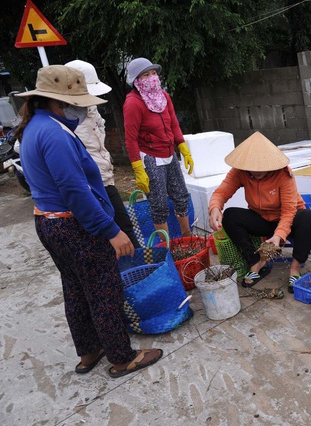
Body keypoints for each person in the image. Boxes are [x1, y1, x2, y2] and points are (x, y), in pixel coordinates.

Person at [15, 65, 162, 377]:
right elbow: (74, 190)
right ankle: (122, 357)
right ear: (61, 103)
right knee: (103, 289)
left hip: (49, 222)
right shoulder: (54, 134)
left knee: (76, 288)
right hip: (73, 225)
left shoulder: (35, 126)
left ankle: (89, 350)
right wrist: (111, 230)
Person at [208, 131, 311, 292]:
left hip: (288, 220)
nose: (256, 171)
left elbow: (289, 211)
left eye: (261, 167)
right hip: (261, 219)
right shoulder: (240, 171)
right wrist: (215, 208)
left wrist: (279, 235)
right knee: (230, 216)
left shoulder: (284, 174)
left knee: (309, 217)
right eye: (252, 168)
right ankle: (256, 263)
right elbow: (221, 192)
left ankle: (295, 268)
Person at [64, 59, 140, 248]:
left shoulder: (90, 107)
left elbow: (99, 129)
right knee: (104, 235)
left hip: (105, 177)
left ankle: (142, 269)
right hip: (87, 185)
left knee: (125, 226)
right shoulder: (60, 118)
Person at [123, 57, 194, 238]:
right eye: (146, 75)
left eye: (153, 73)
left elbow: (174, 125)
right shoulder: (133, 103)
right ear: (136, 80)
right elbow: (130, 139)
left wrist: (183, 149)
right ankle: (167, 247)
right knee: (159, 204)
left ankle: (187, 236)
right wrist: (138, 168)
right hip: (150, 156)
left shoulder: (163, 97)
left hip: (170, 153)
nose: (152, 77)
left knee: (181, 196)